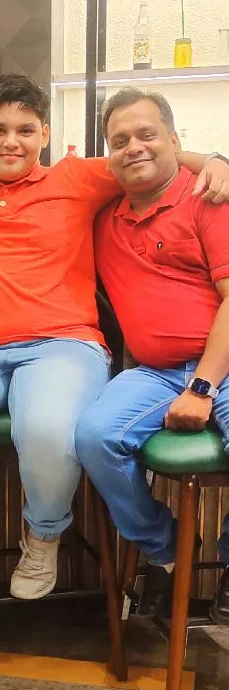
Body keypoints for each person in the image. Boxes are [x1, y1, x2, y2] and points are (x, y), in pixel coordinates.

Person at [0, 74, 229, 601]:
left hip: (64, 345)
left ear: (45, 134)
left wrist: (215, 159)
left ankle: (44, 535)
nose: (12, 142)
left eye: (26, 130)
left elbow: (144, 156)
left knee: (51, 431)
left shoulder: (77, 179)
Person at [75, 87, 229, 623]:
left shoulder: (208, 196)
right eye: (120, 141)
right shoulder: (101, 219)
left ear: (174, 140)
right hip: (154, 374)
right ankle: (167, 552)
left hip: (222, 366)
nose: (134, 148)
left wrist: (204, 387)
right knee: (94, 437)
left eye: (148, 135)